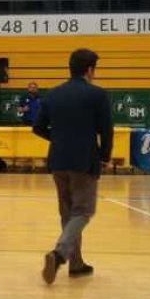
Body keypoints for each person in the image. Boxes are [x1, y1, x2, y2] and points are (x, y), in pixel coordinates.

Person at [33, 48, 113, 284]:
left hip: (57, 160)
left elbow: (37, 127)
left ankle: (76, 264)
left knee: (67, 212)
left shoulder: (53, 94)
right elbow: (106, 130)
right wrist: (105, 157)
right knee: (83, 211)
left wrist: (58, 139)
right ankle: (59, 254)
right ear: (90, 70)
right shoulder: (97, 95)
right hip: (84, 160)